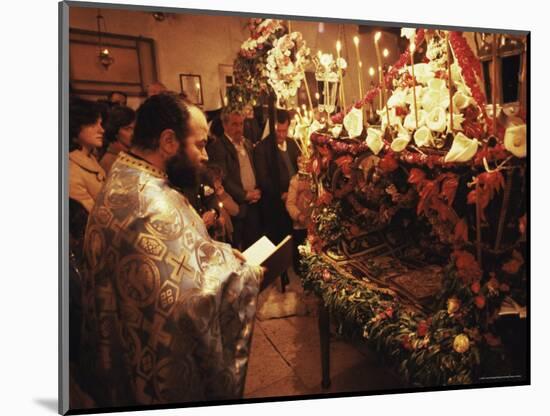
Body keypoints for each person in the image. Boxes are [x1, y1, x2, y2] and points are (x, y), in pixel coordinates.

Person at [79, 93, 263, 407]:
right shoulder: (150, 203)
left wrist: (215, 253)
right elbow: (186, 301)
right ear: (168, 141)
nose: (205, 156)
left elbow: (173, 259)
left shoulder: (127, 179)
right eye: (200, 144)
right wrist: (244, 274)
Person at [207, 108, 262, 250]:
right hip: (236, 207)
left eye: (241, 124)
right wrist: (245, 195)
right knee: (240, 248)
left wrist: (257, 190)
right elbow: (223, 179)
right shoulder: (218, 147)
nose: (239, 128)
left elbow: (255, 169)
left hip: (254, 203)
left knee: (255, 245)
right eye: (234, 124)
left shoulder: (247, 144)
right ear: (225, 125)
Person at [254, 109, 300, 246]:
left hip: (295, 201)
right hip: (276, 205)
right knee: (281, 243)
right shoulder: (263, 149)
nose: (281, 135)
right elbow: (263, 179)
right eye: (278, 131)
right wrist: (281, 194)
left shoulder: (292, 144)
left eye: (284, 131)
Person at [68, 97, 106, 212]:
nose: (102, 130)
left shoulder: (89, 157)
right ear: (76, 126)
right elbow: (91, 217)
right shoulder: (70, 171)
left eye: (100, 124)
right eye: (93, 124)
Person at [285, 156, 314, 274]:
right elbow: (290, 203)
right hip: (300, 224)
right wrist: (298, 216)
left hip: (312, 222)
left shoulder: (314, 178)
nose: (303, 165)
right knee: (300, 250)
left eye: (306, 162)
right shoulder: (295, 181)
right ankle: (300, 271)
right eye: (300, 162)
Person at [100, 106, 136, 173]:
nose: (133, 133)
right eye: (127, 129)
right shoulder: (110, 161)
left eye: (134, 128)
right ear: (115, 131)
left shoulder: (128, 156)